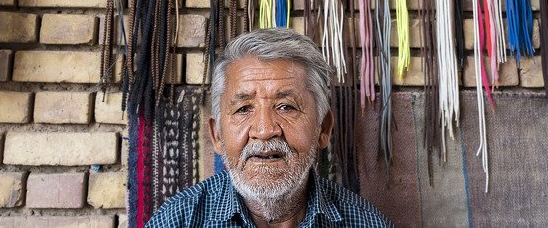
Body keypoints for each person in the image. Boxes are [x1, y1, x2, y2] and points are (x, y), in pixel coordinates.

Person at [146, 28, 392, 227]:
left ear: (323, 128)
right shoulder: (176, 221)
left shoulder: (365, 223)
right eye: (243, 109)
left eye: (286, 107)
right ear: (217, 135)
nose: (264, 130)